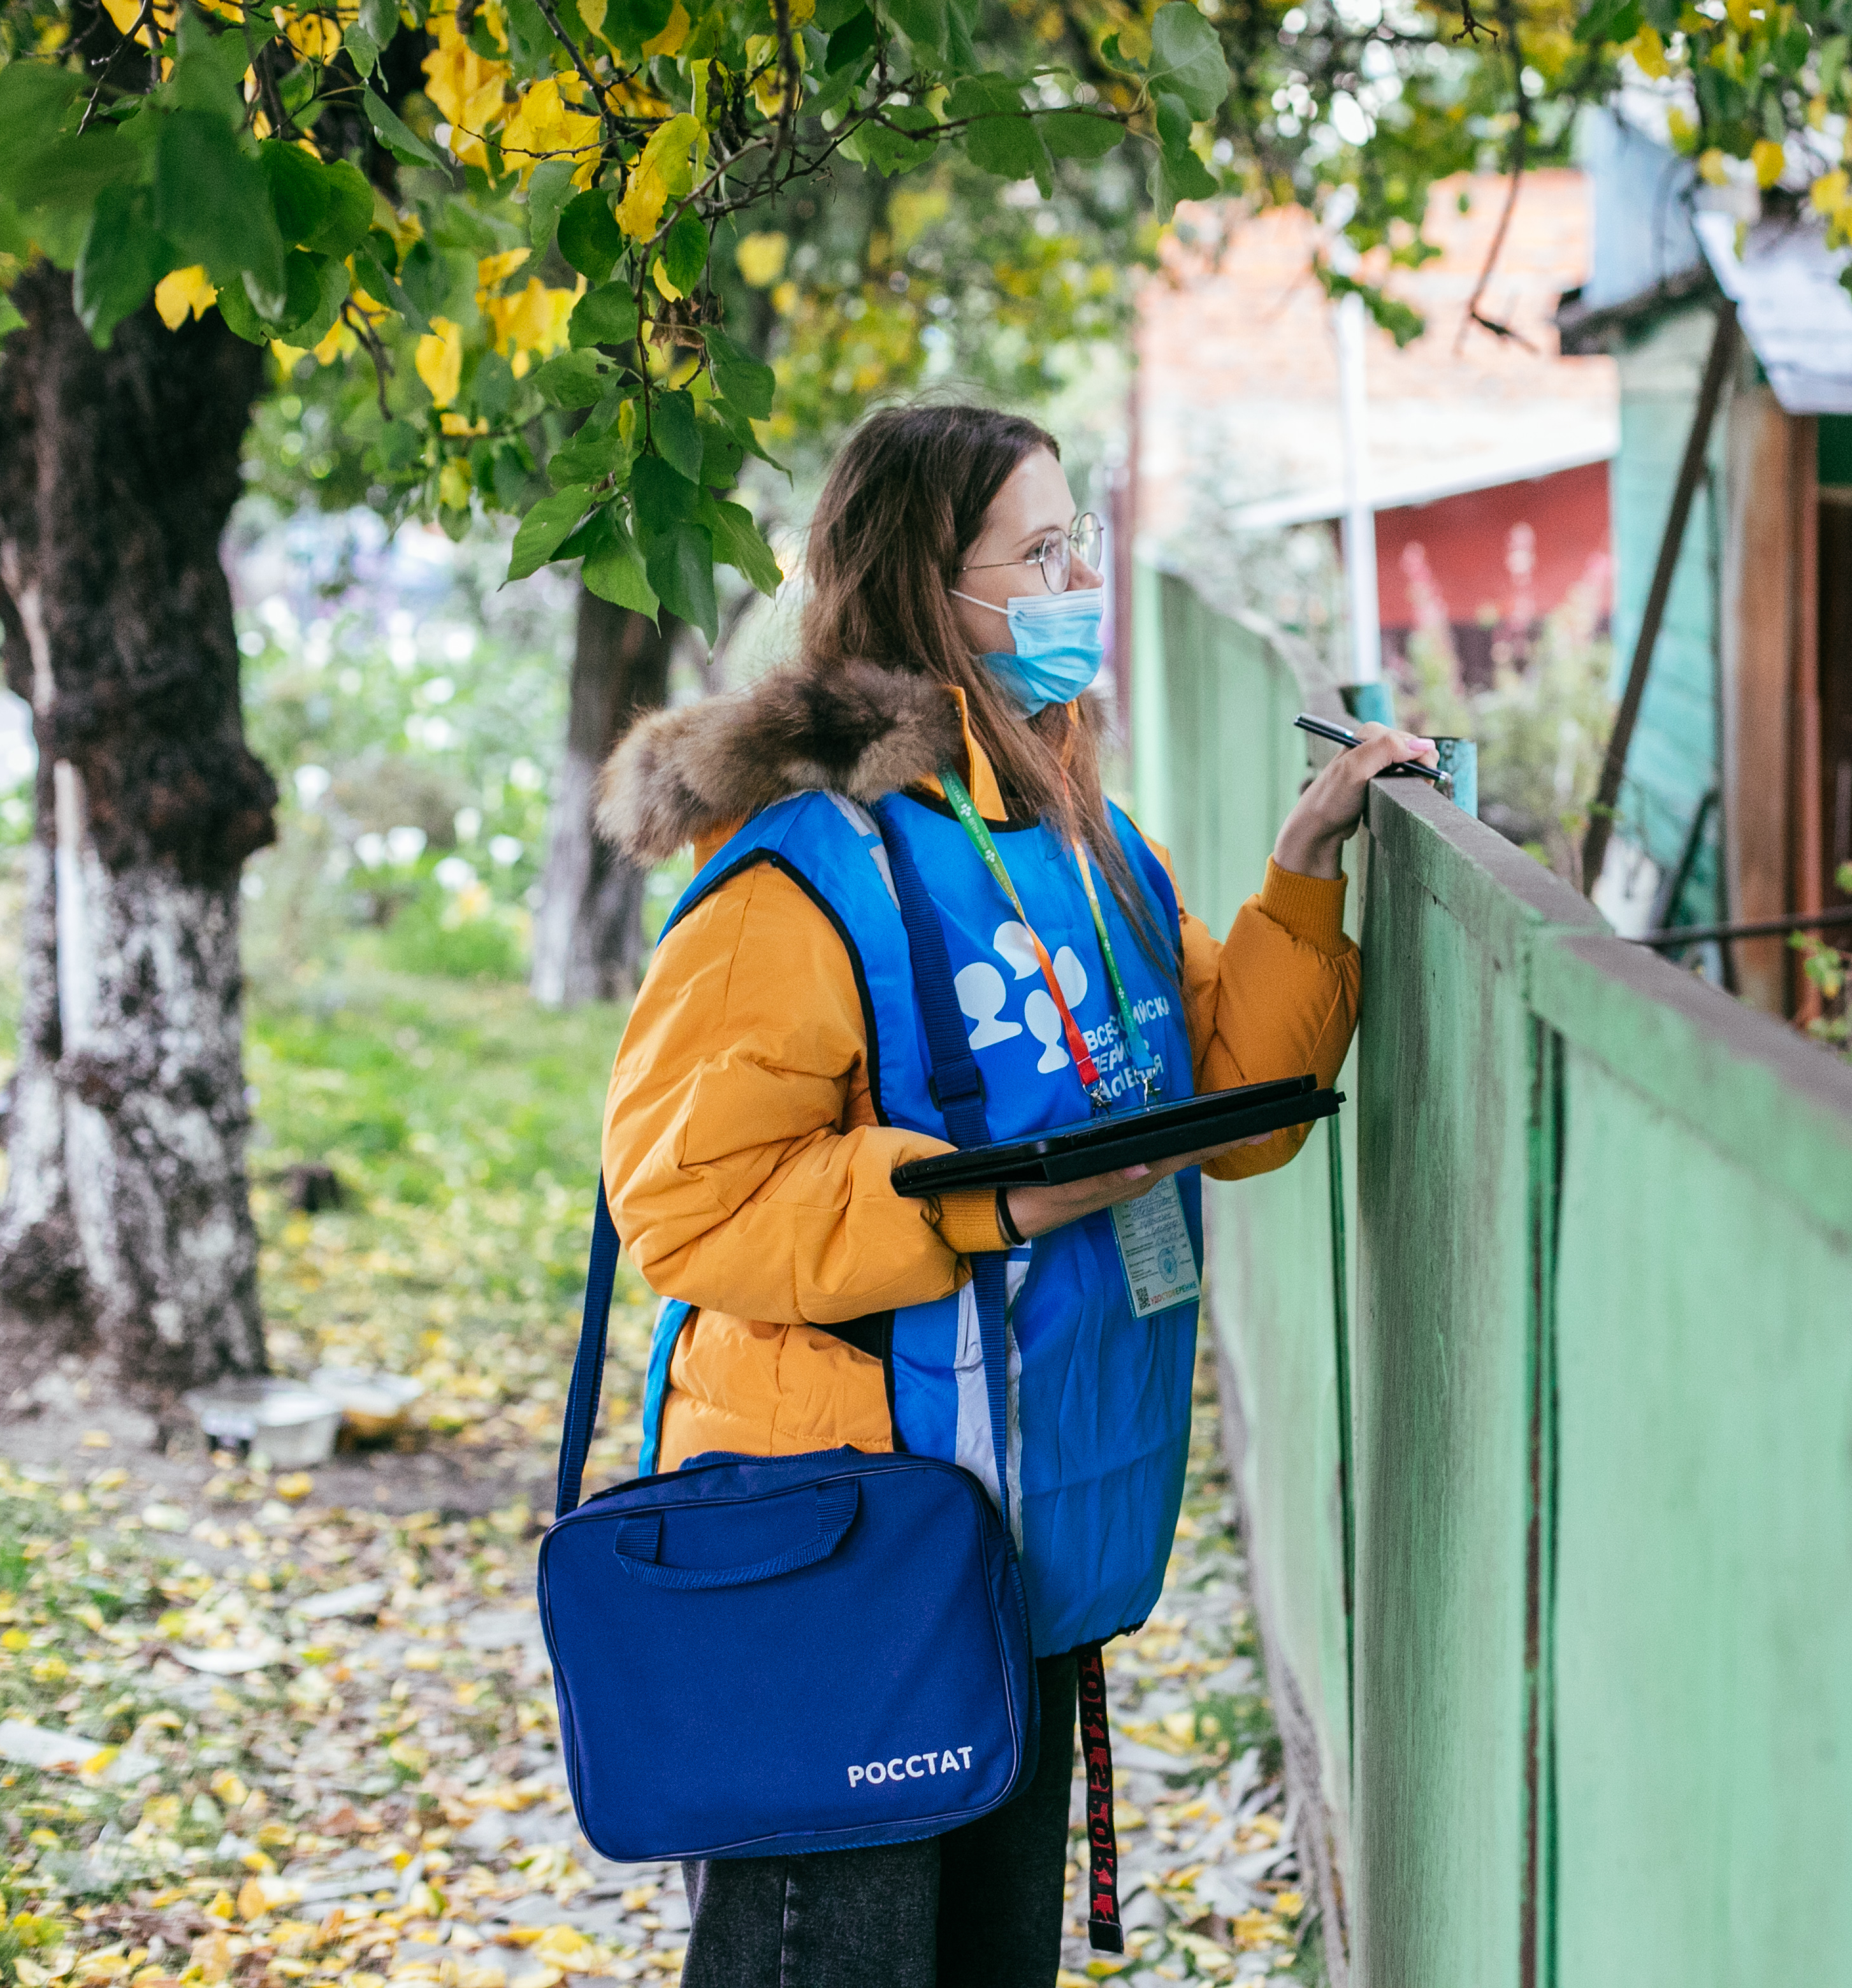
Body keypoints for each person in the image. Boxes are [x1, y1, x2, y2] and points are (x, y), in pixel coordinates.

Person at [592, 402, 1433, 1988]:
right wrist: (985, 1202)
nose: (1075, 583)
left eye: (1080, 544)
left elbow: (1230, 1111)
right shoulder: (798, 872)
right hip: (842, 1548)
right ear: (930, 584)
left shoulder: (1077, 840)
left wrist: (1308, 870)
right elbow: (686, 1209)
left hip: (1009, 1527)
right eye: (1036, 554)